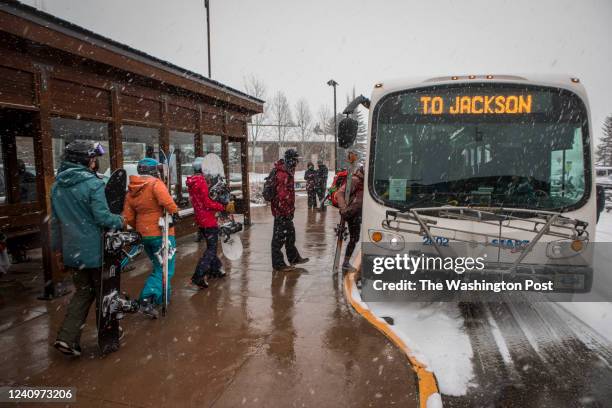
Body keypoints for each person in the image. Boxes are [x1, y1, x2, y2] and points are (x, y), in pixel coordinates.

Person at [51, 140, 124, 356]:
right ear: (86, 160)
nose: (95, 163)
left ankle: (67, 338)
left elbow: (55, 223)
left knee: (83, 293)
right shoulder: (94, 184)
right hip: (96, 251)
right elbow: (102, 217)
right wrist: (121, 221)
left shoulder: (57, 186)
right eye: (93, 158)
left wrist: (58, 251)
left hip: (72, 251)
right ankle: (109, 331)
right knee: (105, 293)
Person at [122, 158, 178, 318]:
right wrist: (175, 211)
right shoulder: (155, 184)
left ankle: (162, 297)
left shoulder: (132, 189)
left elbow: (128, 217)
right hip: (161, 233)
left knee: (159, 265)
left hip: (144, 235)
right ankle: (147, 299)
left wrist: (142, 226)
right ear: (154, 170)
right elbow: (168, 203)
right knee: (166, 268)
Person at [187, 157, 235, 288]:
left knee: (210, 246)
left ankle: (216, 269)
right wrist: (222, 207)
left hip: (200, 219)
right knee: (212, 250)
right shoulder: (201, 181)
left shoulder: (192, 181)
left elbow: (200, 202)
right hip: (208, 219)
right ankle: (198, 275)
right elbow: (207, 203)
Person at [270, 149, 309, 272]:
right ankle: (278, 264)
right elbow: (282, 196)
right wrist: (286, 211)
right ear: (291, 160)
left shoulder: (288, 171)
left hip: (286, 212)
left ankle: (294, 258)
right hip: (281, 212)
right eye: (296, 160)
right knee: (278, 239)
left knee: (291, 235)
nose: (297, 162)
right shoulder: (283, 174)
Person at [336, 165, 364, 271]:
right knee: (354, 238)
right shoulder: (355, 180)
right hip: (352, 213)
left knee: (355, 238)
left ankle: (346, 262)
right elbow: (340, 193)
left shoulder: (364, 182)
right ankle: (346, 262)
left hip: (358, 212)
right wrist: (344, 208)